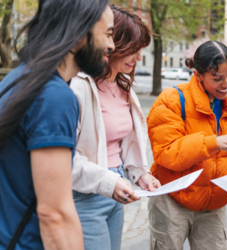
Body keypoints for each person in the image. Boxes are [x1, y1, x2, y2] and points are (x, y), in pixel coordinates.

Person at [0, 0, 114, 249]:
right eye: (108, 34)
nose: (112, 45)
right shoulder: (53, 97)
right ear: (77, 36)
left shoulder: (18, 79)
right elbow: (55, 215)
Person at [147, 41, 227, 250]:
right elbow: (166, 153)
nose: (225, 84)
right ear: (198, 75)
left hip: (213, 204)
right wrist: (213, 143)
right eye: (217, 78)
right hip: (173, 200)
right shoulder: (172, 99)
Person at [70, 5, 160, 250]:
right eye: (135, 50)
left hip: (116, 189)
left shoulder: (124, 87)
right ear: (113, 43)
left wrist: (141, 174)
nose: (139, 58)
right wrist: (109, 182)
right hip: (85, 195)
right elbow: (64, 160)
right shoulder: (78, 88)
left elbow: (125, 143)